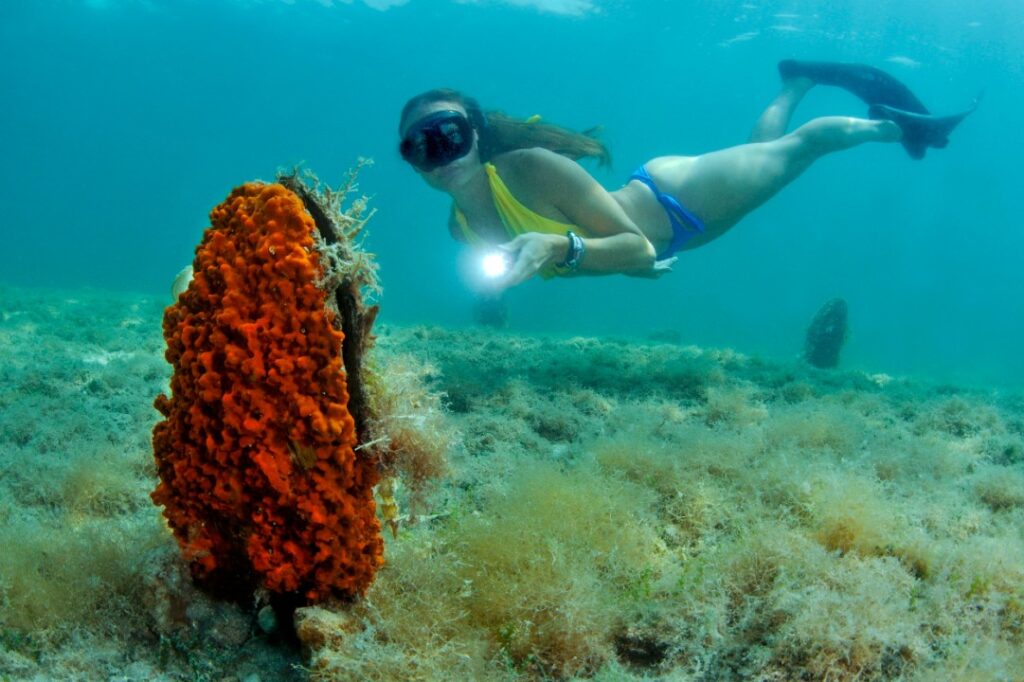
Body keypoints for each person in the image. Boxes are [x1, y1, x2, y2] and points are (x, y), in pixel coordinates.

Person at [398, 60, 976, 290]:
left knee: (805, 147)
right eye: (418, 148)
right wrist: (596, 259)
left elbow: (632, 245)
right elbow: (587, 254)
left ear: (475, 133)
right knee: (764, 153)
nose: (438, 154)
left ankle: (899, 128)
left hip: (679, 202)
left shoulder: (526, 168)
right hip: (676, 218)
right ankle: (797, 79)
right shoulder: (460, 230)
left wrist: (571, 249)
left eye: (446, 135)